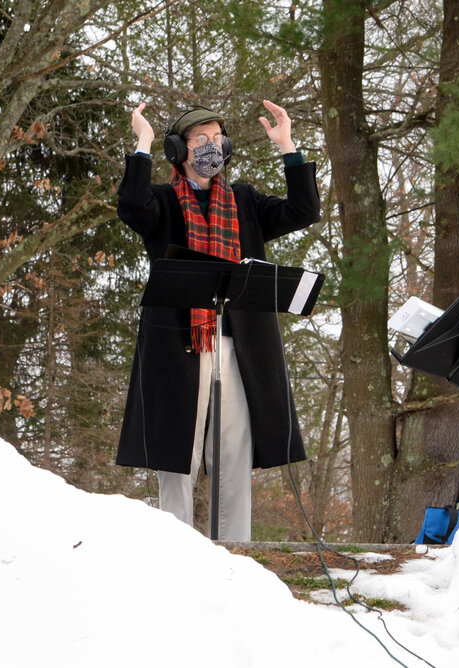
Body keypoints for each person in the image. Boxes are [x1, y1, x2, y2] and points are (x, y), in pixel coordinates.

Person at [116, 100, 320, 541]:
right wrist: (143, 143)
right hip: (179, 346)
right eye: (200, 139)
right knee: (177, 455)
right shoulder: (163, 201)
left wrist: (287, 145)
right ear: (178, 149)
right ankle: (176, 549)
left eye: (218, 139)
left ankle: (236, 554)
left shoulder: (244, 199)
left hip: (237, 345)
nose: (212, 147)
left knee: (233, 454)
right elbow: (132, 206)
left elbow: (303, 211)